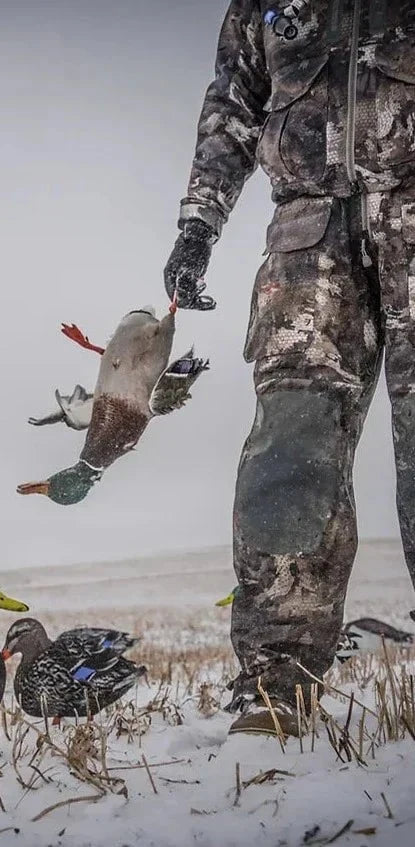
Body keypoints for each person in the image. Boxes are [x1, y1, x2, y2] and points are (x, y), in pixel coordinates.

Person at [163, 0, 415, 736]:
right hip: (306, 239)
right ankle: (277, 679)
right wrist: (196, 225)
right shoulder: (260, 6)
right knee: (289, 447)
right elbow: (230, 104)